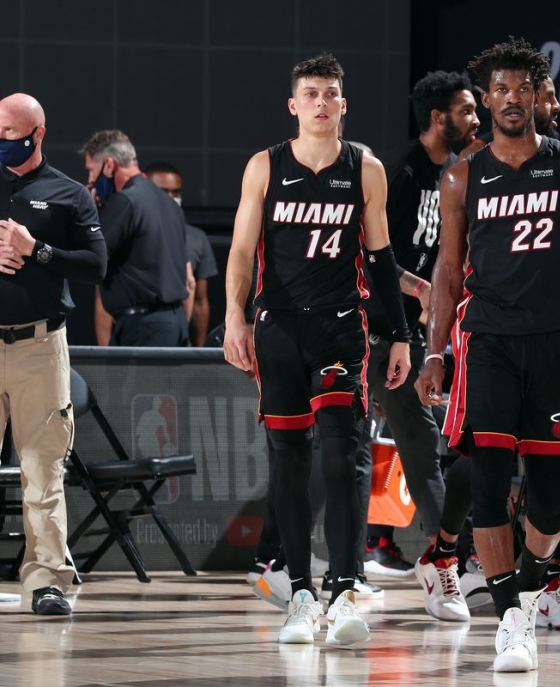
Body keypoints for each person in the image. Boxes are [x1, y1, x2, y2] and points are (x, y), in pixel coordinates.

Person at [416, 37, 560, 673]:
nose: (510, 99)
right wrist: (435, 351)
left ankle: (528, 588)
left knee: (550, 502)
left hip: (555, 345)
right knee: (488, 484)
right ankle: (511, 618)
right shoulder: (462, 174)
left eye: (521, 88)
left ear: (537, 94)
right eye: (500, 89)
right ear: (486, 98)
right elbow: (448, 270)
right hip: (488, 344)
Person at [222, 53, 412, 646]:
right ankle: (300, 592)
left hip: (340, 328)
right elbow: (241, 251)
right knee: (288, 459)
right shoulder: (265, 166)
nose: (321, 102)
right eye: (311, 93)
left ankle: (346, 587)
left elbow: (380, 259)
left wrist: (400, 334)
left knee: (341, 453)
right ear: (293, 105)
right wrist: (233, 317)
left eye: (330, 93)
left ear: (343, 104)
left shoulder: (365, 169)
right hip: (278, 328)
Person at [367, 69, 479, 621]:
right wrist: (422, 291)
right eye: (466, 110)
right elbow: (373, 257)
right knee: (411, 439)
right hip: (378, 329)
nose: (476, 119)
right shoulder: (401, 172)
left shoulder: (455, 174)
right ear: (438, 118)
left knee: (408, 440)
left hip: (416, 332)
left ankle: (441, 554)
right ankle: (447, 557)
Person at [0, 92, 107, 614]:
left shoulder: (68, 194)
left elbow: (95, 265)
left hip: (39, 347)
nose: (1, 141)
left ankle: (46, 580)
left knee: (42, 470)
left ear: (37, 134)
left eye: (8, 133)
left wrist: (35, 250)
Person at [80, 130, 191, 347]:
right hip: (174, 324)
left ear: (109, 165)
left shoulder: (125, 201)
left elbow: (92, 259)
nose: (90, 180)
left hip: (144, 329)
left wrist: (89, 215)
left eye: (91, 170)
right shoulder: (169, 203)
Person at [144, 161, 219, 347]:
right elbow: (103, 302)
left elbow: (200, 302)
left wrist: (198, 353)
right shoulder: (130, 234)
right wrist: (106, 353)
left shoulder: (196, 238)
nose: (171, 198)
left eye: (176, 193)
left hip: (178, 338)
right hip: (136, 334)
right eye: (164, 192)